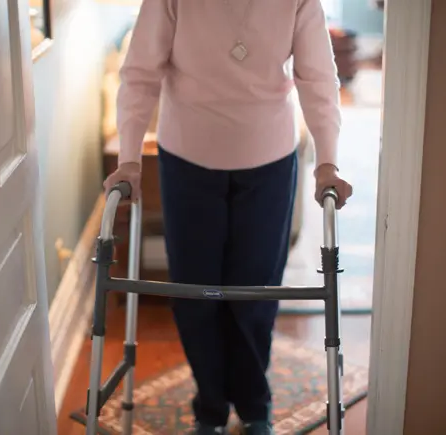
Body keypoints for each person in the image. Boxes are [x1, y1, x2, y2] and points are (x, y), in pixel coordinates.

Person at [103, 0, 353, 433]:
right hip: (187, 155)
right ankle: (211, 407)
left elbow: (317, 77)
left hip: (269, 156)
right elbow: (140, 73)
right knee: (195, 293)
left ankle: (255, 405)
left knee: (254, 293)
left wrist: (328, 161)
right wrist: (128, 158)